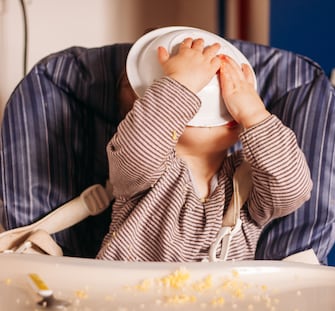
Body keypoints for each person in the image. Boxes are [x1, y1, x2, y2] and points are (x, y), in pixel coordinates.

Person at [96, 32, 313, 262]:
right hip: (130, 292)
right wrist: (180, 82)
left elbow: (293, 190)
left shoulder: (250, 176)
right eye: (206, 93)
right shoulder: (143, 174)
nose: (226, 103)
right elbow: (140, 150)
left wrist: (254, 114)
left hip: (222, 296)